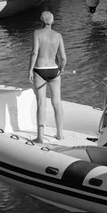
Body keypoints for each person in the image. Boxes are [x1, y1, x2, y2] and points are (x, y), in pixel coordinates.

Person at [28, 11, 67, 143]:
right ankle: (60, 134)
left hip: (40, 69)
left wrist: (29, 70)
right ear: (53, 21)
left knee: (41, 103)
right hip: (54, 69)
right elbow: (63, 57)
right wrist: (61, 69)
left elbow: (34, 52)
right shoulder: (58, 35)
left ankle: (40, 137)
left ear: (41, 20)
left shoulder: (37, 33)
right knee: (57, 102)